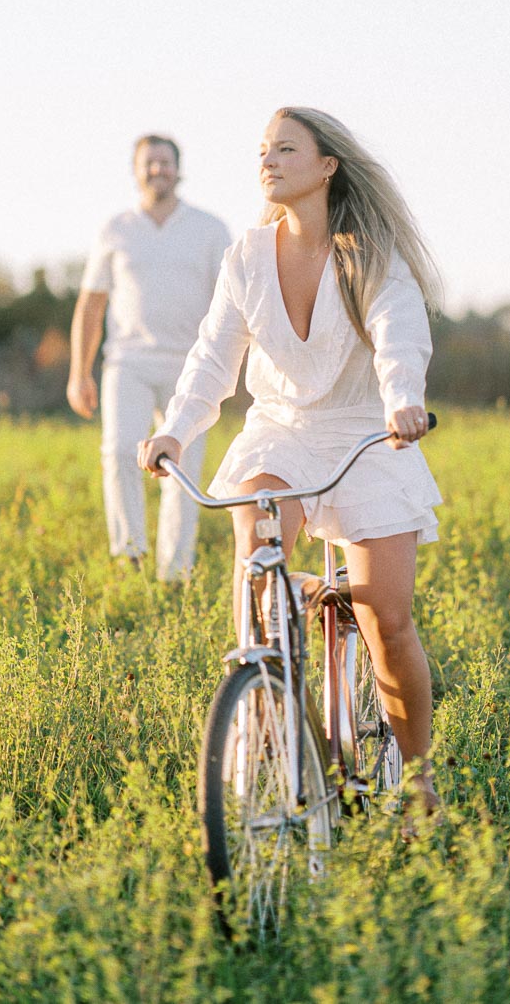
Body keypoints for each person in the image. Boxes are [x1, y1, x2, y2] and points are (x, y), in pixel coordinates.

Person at [138, 108, 442, 811]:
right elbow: (214, 356)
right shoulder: (247, 253)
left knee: (387, 620)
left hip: (371, 432)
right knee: (258, 552)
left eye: (285, 149)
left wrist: (403, 399)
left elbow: (400, 333)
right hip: (282, 427)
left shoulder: (372, 253)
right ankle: (271, 702)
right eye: (262, 151)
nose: (268, 162)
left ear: (327, 165)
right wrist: (175, 431)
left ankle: (420, 778)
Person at [68, 134, 230, 580]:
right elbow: (91, 304)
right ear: (136, 170)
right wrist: (78, 373)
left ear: (179, 169)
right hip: (128, 362)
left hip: (191, 364)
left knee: (182, 465)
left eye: (165, 162)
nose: (158, 169)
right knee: (120, 450)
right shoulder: (116, 229)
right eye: (149, 163)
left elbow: (232, 303)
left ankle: (175, 570)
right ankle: (130, 554)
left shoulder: (210, 229)